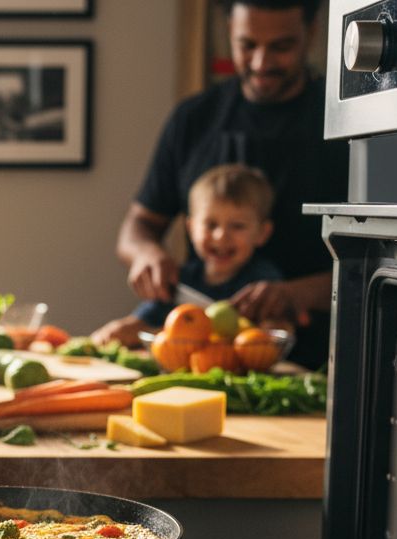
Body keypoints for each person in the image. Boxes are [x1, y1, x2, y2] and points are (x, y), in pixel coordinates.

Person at [95, 0, 346, 368]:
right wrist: (146, 254)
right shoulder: (194, 119)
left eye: (281, 47)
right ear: (230, 31)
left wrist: (300, 293)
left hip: (317, 358)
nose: (261, 63)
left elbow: (382, 259)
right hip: (201, 358)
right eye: (248, 46)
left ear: (310, 34)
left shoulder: (343, 124)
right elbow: (138, 227)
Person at [94, 164, 282, 342]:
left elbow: (272, 330)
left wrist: (269, 331)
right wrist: (122, 329)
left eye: (238, 226)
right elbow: (146, 318)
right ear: (191, 229)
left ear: (262, 233)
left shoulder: (263, 282)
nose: (221, 236)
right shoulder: (182, 278)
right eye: (211, 224)